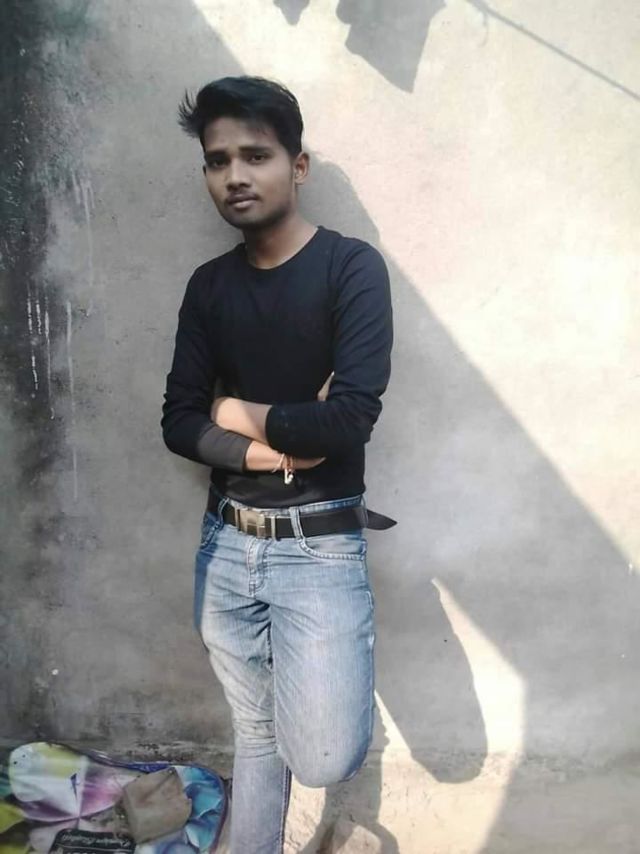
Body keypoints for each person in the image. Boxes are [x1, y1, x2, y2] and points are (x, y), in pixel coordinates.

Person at [162, 76, 393, 854]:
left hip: (318, 545)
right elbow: (179, 422)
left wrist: (231, 410)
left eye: (255, 155)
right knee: (255, 733)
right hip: (226, 545)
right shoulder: (209, 287)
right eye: (217, 159)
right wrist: (276, 444)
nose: (234, 175)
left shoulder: (350, 270)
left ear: (298, 166)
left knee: (321, 752)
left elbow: (346, 420)